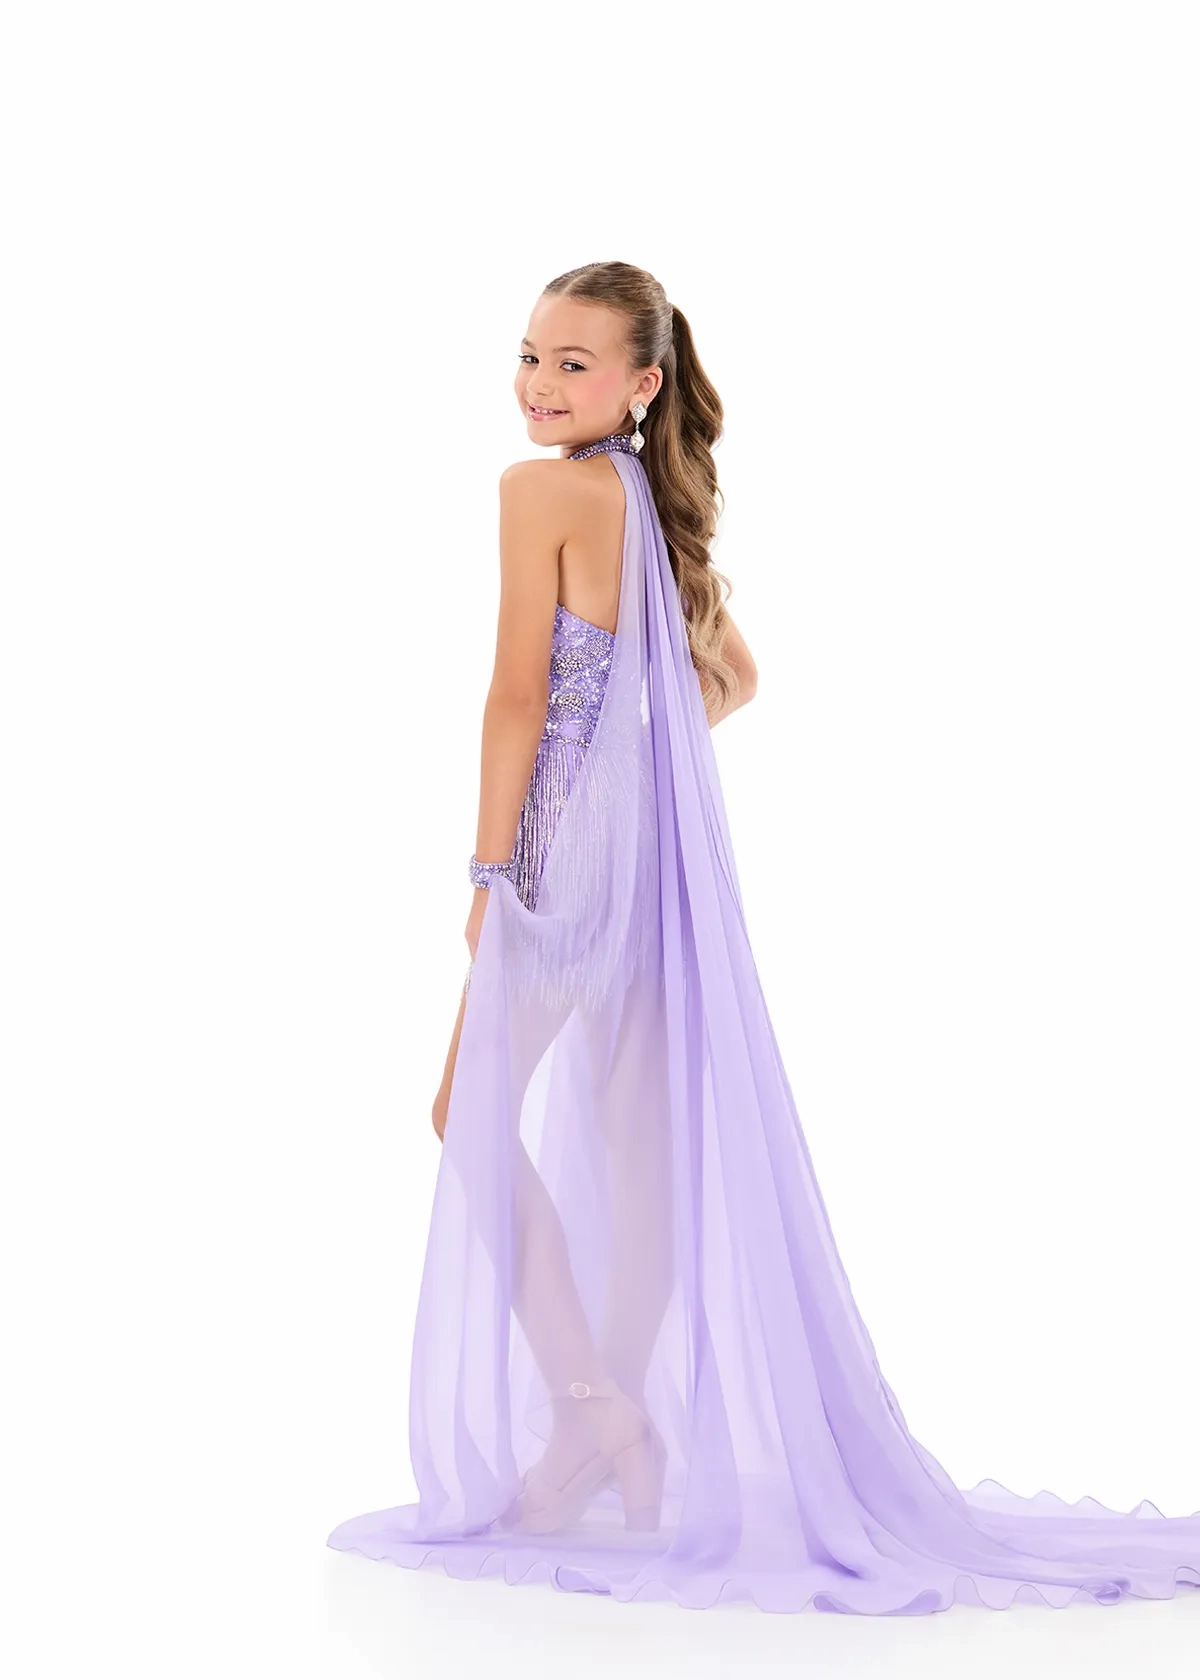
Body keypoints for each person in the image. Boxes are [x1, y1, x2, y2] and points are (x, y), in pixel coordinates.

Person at [327, 261, 1200, 1614]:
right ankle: (602, 1422)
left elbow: (514, 697)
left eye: (573, 363)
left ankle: (594, 1409)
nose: (539, 384)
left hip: (565, 850)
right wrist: (637, 770)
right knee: (631, 1146)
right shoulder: (648, 505)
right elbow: (729, 678)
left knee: (471, 1112)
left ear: (641, 383)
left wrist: (496, 867)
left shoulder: (540, 492)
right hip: (651, 857)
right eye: (530, 355)